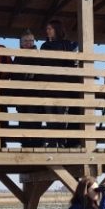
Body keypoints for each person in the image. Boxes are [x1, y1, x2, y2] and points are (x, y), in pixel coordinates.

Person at [40, 19, 80, 148]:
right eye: (47, 28)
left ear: (57, 29)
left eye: (50, 28)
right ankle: (52, 143)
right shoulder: (44, 46)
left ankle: (61, 142)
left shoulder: (67, 44)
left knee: (62, 115)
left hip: (63, 86)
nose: (47, 31)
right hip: (48, 85)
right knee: (50, 115)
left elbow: (72, 64)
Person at [11, 29, 45, 147]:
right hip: (21, 94)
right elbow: (14, 75)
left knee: (35, 120)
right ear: (21, 42)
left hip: (35, 94)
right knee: (23, 120)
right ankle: (25, 144)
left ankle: (37, 145)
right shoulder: (18, 57)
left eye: (31, 40)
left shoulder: (38, 55)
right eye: (25, 41)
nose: (28, 43)